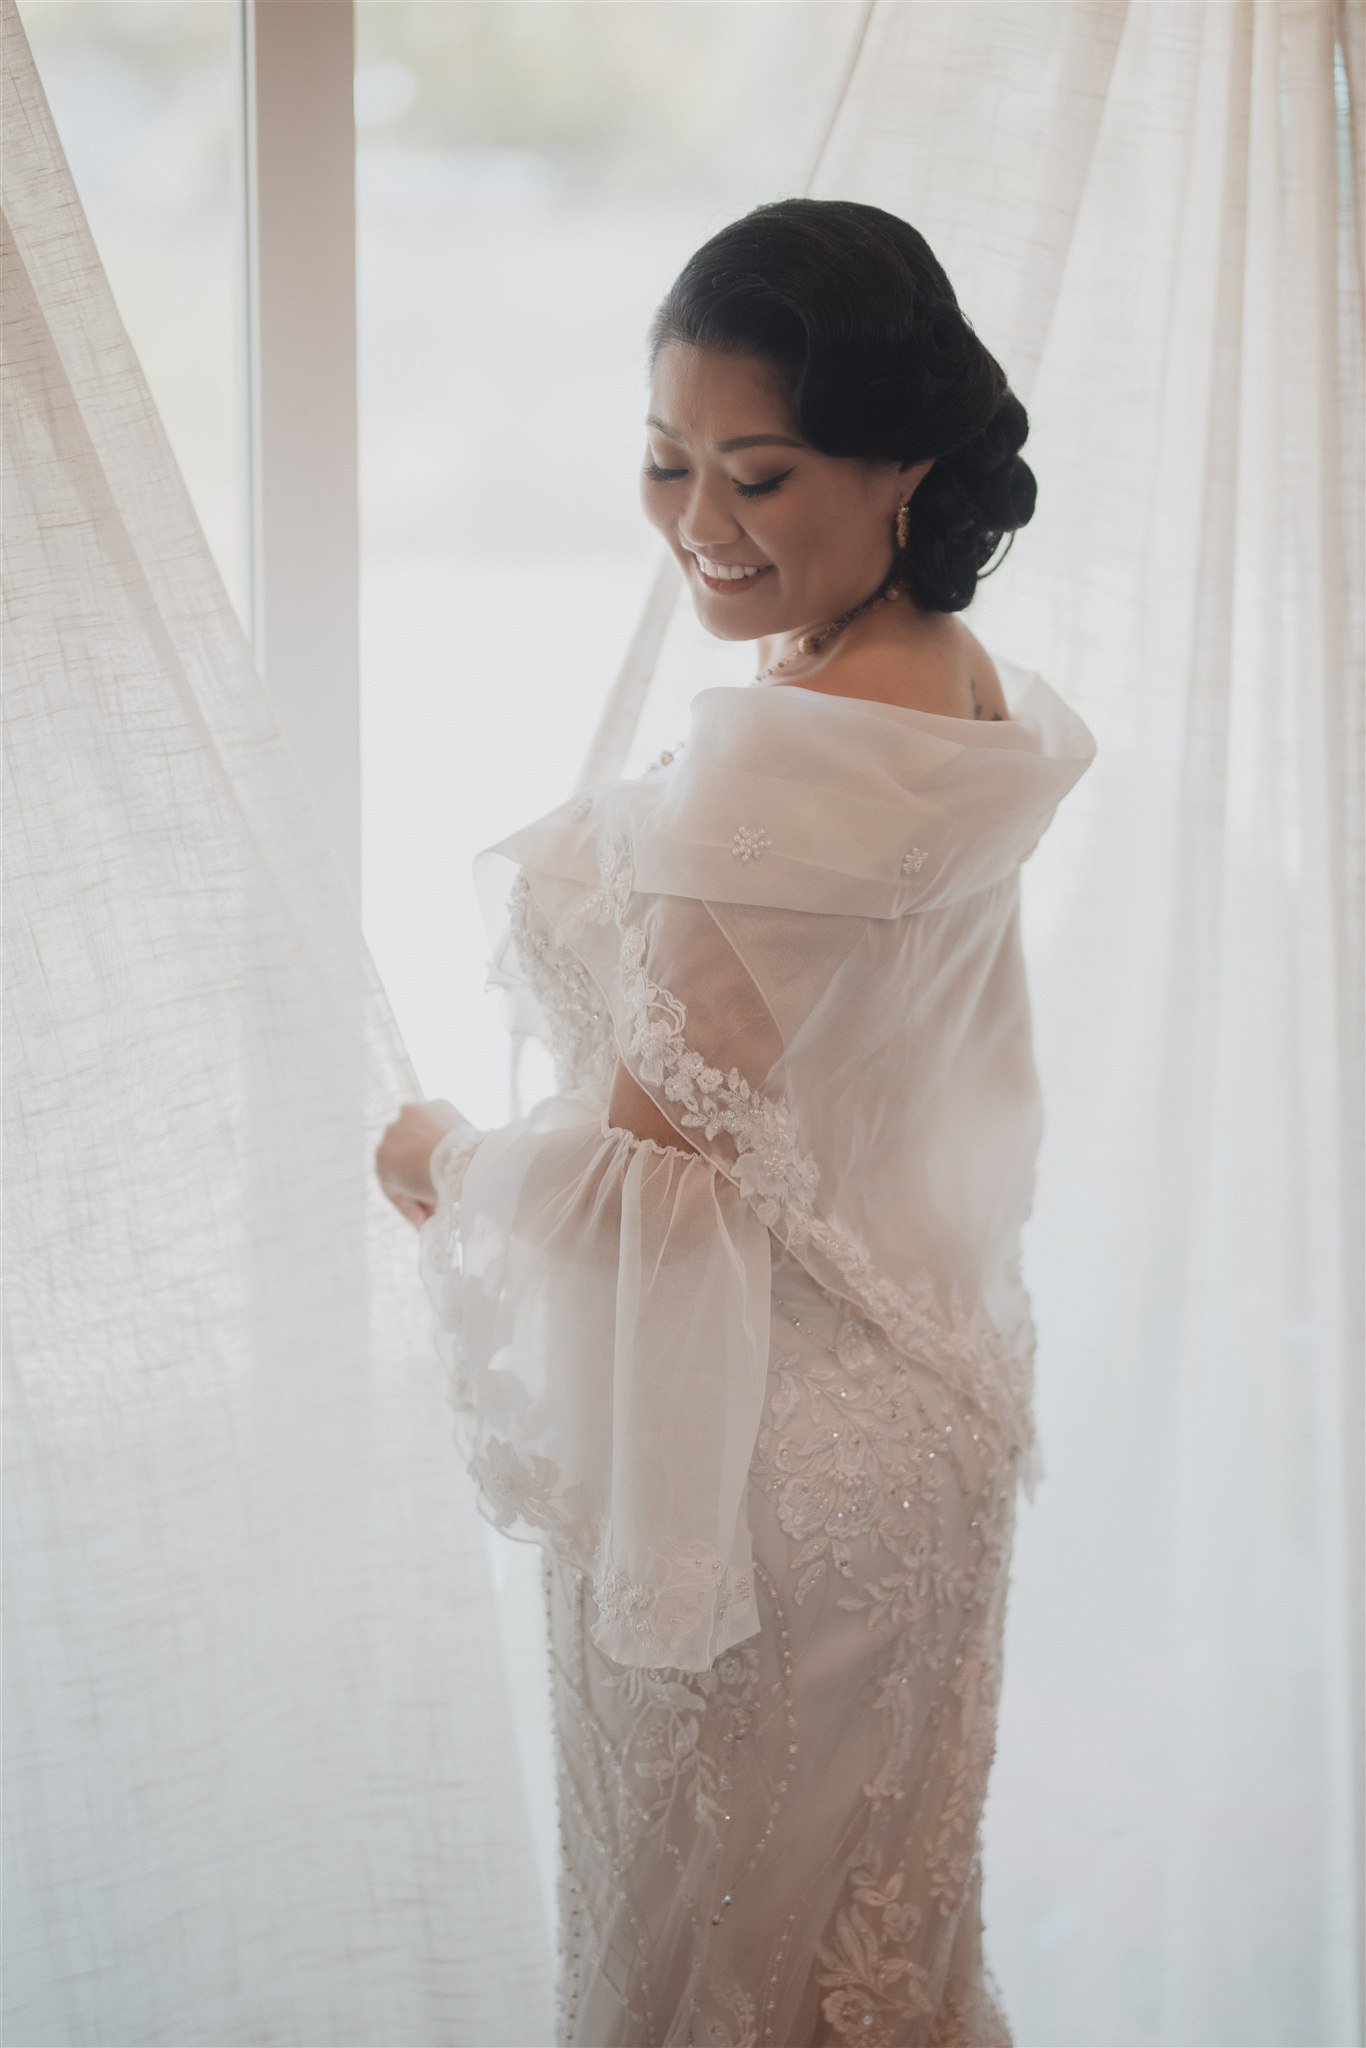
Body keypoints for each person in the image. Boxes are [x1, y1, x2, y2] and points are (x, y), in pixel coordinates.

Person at [375, 198, 1097, 2048]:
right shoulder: (946, 684)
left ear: (899, 464)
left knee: (718, 1982)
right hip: (907, 1456)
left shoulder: (797, 749)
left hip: (757, 1487)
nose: (702, 520)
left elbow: (646, 1188)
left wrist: (443, 1161)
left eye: (759, 473)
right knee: (868, 1969)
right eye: (663, 459)